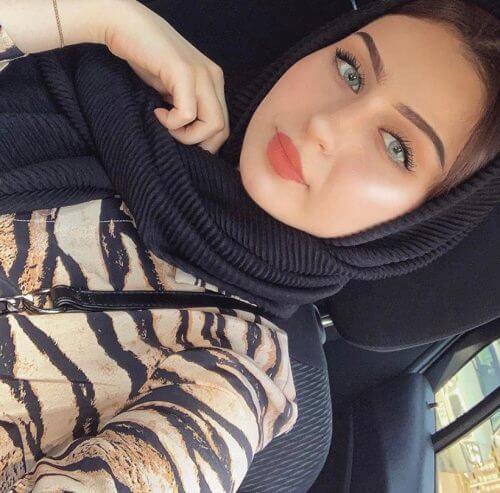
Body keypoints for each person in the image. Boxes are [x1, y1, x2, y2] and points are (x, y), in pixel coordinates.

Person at [0, 0, 498, 491]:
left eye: (396, 148)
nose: (326, 125)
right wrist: (102, 16)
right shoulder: (110, 82)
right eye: (350, 70)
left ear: (420, 222)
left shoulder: (225, 377)